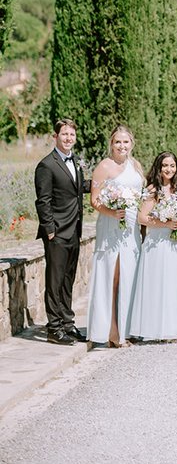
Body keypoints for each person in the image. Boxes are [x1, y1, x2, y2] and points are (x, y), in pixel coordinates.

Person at [85, 125, 145, 349]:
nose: (122, 146)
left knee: (129, 276)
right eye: (118, 142)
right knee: (113, 276)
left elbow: (141, 197)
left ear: (132, 144)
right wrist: (112, 212)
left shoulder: (135, 166)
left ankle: (126, 328)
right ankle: (111, 331)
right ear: (111, 144)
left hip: (131, 230)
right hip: (112, 228)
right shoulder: (104, 166)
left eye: (126, 142)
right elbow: (94, 200)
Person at [34, 118, 88, 345]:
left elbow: (79, 188)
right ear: (55, 137)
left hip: (74, 229)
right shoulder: (47, 165)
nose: (68, 138)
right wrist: (50, 231)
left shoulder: (75, 161)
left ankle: (67, 323)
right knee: (55, 282)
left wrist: (105, 183)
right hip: (57, 233)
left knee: (68, 279)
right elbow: (43, 201)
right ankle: (53, 328)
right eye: (64, 134)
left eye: (72, 135)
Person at [129, 152, 177, 342]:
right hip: (156, 243)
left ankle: (170, 329)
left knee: (172, 285)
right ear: (158, 167)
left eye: (172, 165)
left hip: (175, 244)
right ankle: (151, 328)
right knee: (155, 284)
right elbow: (141, 218)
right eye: (165, 165)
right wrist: (165, 225)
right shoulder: (152, 190)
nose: (169, 169)